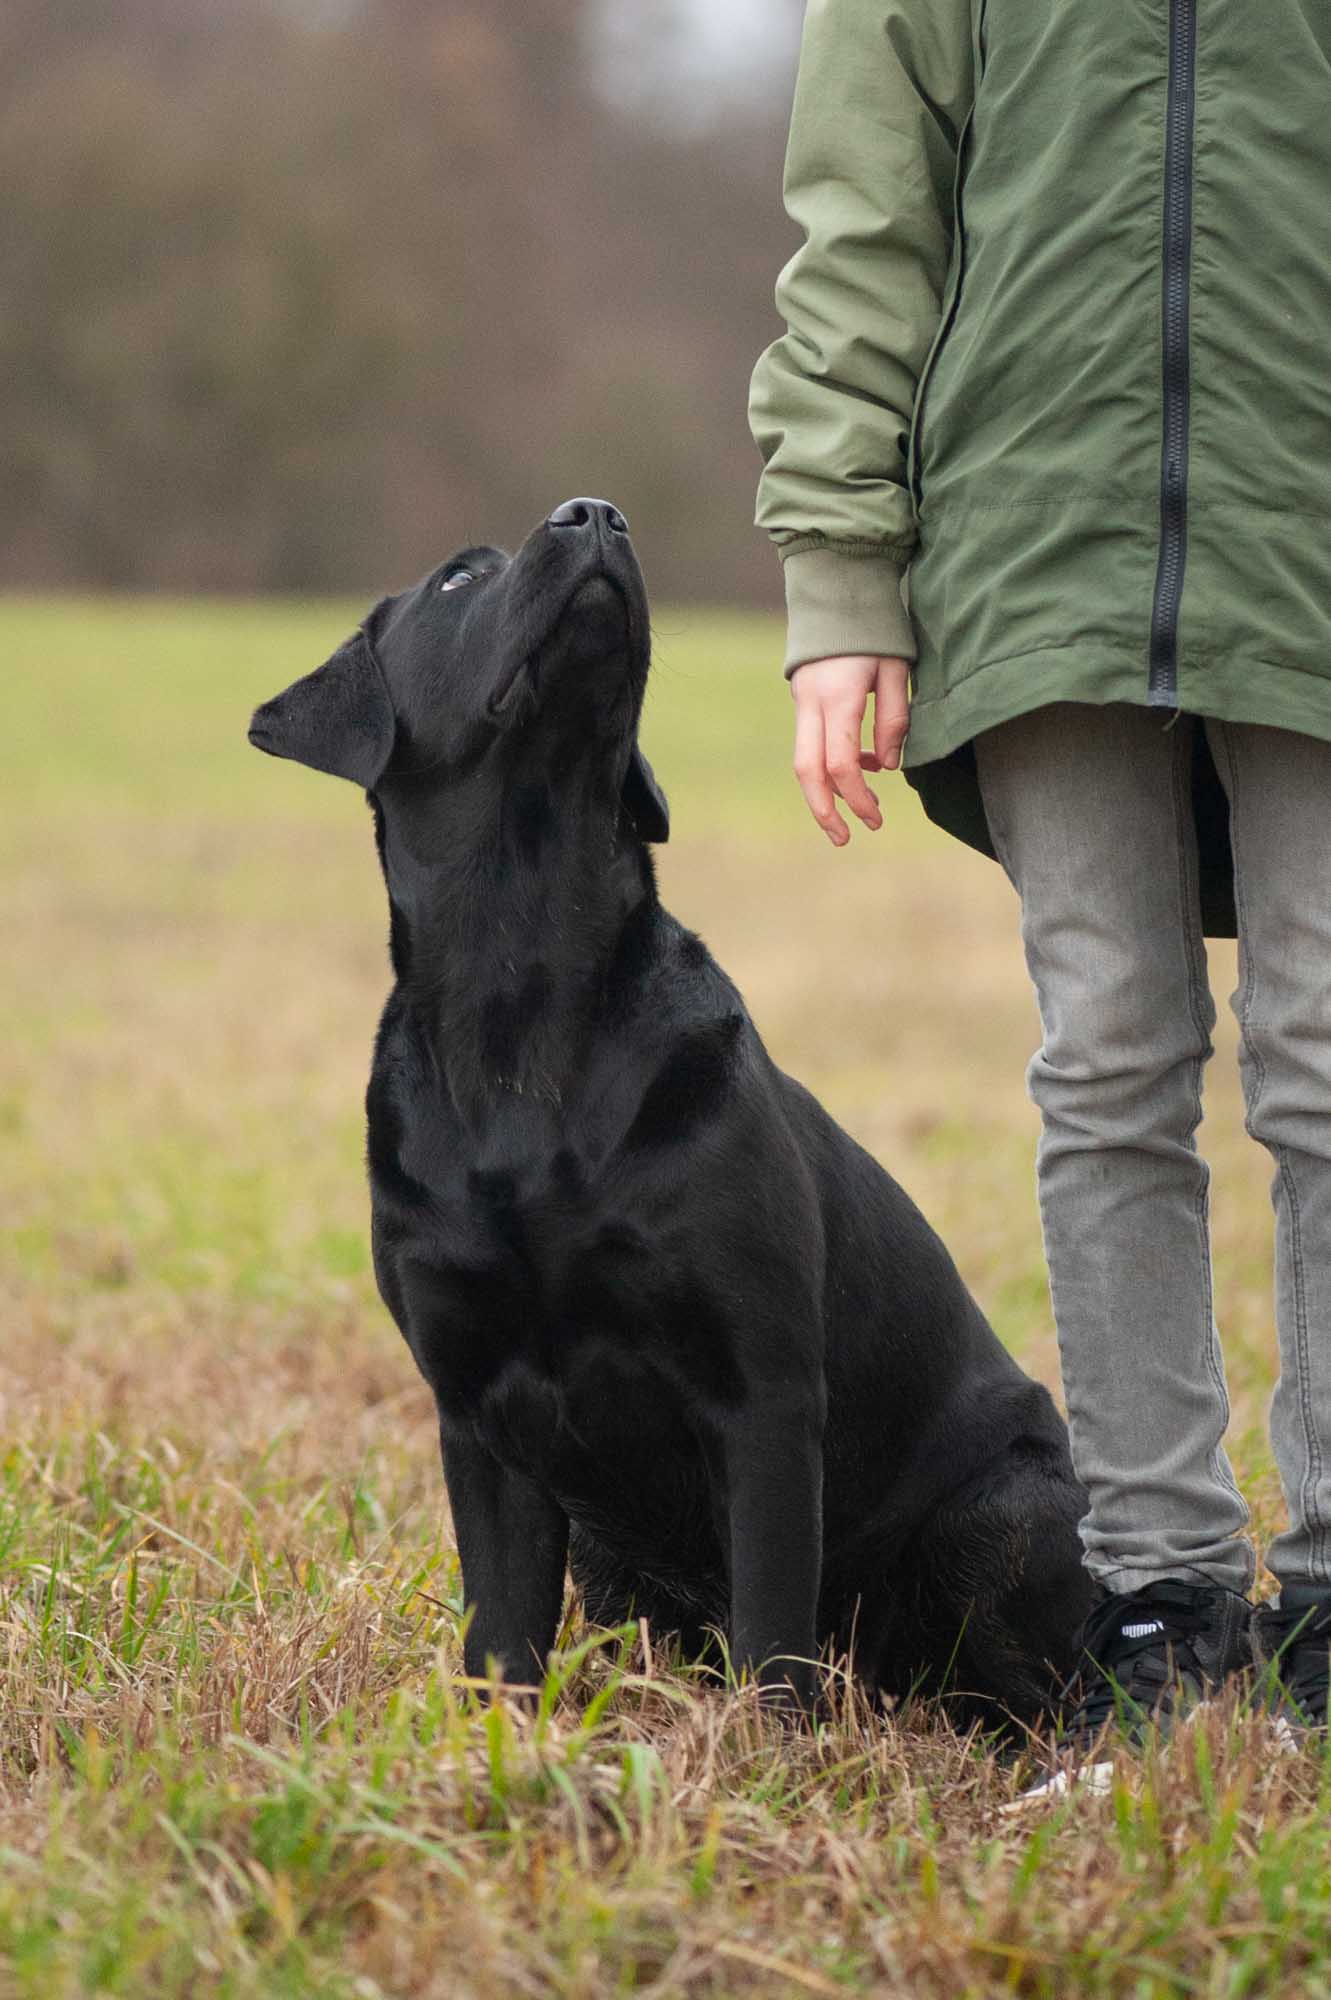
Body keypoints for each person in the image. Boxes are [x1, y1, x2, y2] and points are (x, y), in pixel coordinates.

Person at [748, 0, 1331, 1783]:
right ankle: (1159, 1601)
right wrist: (845, 582)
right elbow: (864, 229)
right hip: (1032, 551)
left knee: (1330, 1047)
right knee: (1112, 1056)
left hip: (1310, 530)